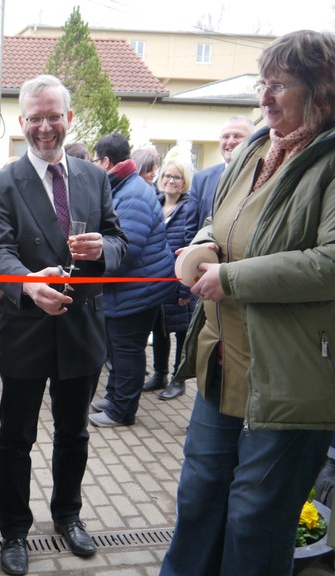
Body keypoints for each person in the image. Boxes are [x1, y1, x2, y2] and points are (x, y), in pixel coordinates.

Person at [160, 30, 335, 576]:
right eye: (263, 84)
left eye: (280, 85)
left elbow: (332, 261)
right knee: (199, 500)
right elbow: (220, 219)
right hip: (222, 362)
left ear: (321, 90)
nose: (264, 98)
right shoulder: (259, 147)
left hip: (290, 378)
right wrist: (203, 244)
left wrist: (232, 278)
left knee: (256, 519)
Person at [0, 74, 127, 576]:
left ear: (68, 118)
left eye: (54, 116)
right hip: (27, 327)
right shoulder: (0, 184)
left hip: (82, 329)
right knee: (16, 437)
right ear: (22, 122)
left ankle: (68, 515)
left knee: (75, 433)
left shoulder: (94, 178)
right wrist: (25, 283)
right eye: (35, 118)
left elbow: (119, 240)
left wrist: (104, 250)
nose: (46, 127)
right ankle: (14, 531)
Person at [88, 133, 174, 428]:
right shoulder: (124, 186)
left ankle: (122, 411)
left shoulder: (133, 193)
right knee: (118, 347)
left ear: (107, 161)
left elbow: (127, 247)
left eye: (97, 160)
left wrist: (92, 256)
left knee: (127, 350)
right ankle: (114, 396)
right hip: (130, 286)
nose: (95, 165)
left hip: (138, 288)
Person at [141, 157, 194, 400]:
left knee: (181, 332)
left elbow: (192, 247)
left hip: (180, 281)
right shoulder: (155, 203)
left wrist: (186, 289)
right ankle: (159, 374)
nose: (171, 181)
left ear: (184, 182)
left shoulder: (190, 206)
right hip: (157, 281)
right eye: (167, 176)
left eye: (177, 177)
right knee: (159, 329)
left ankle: (178, 379)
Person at [184, 115, 255, 242]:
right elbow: (191, 228)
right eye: (225, 136)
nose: (230, 141)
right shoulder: (201, 179)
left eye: (238, 136)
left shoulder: (261, 175)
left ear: (253, 141)